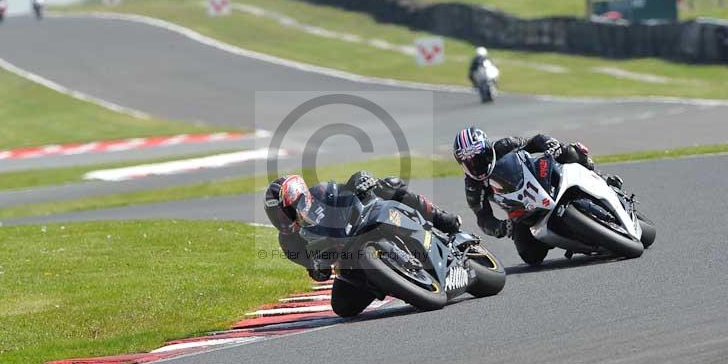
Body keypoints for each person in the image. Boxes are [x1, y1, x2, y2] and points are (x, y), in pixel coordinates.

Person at [452, 126, 619, 265]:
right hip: (522, 211)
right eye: (468, 162)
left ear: (487, 148)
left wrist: (551, 144)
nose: (475, 164)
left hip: (539, 176)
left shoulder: (504, 146)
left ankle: (602, 178)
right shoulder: (473, 187)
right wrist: (502, 227)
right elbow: (483, 218)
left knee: (568, 152)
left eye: (478, 157)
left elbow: (534, 141)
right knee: (530, 256)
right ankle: (576, 240)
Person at [263, 172, 462, 282]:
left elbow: (347, 186)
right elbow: (316, 273)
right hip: (351, 260)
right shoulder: (288, 242)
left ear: (297, 198)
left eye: (282, 213)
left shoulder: (320, 193)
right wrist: (318, 268)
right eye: (275, 217)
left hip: (364, 223)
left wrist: (361, 181)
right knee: (342, 307)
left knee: (389, 184)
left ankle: (440, 218)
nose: (281, 221)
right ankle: (394, 284)